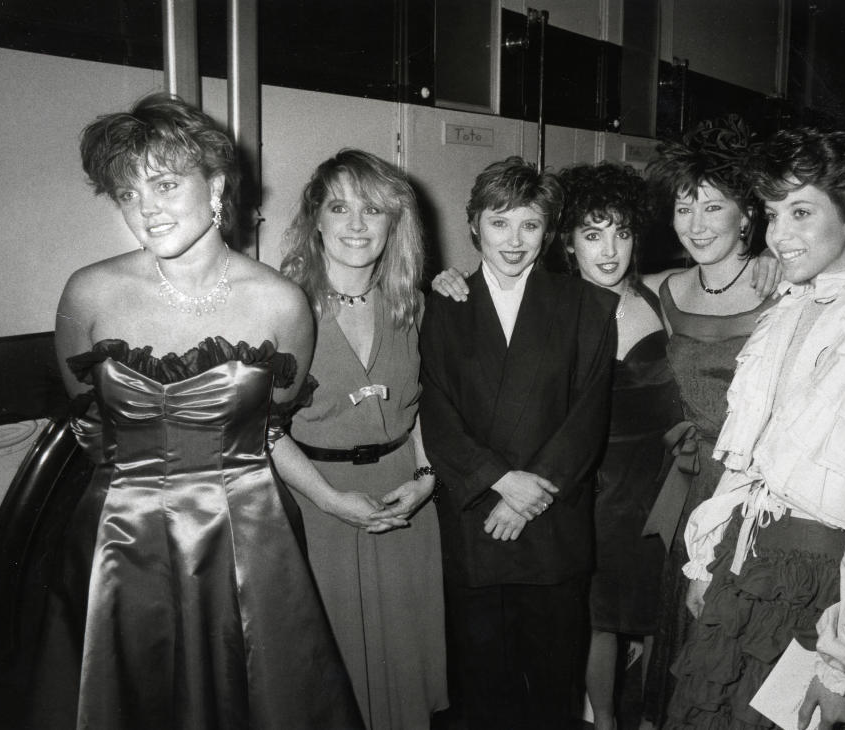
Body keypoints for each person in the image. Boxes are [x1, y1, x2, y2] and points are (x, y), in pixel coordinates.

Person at [21, 93, 363, 729]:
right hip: (119, 542)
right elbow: (88, 416)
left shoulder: (282, 303)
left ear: (217, 186)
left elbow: (273, 422)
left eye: (164, 183)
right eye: (127, 193)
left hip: (247, 539)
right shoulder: (89, 291)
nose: (145, 208)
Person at [666, 128, 845, 729]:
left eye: (801, 212)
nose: (780, 236)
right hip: (746, 567)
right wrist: (708, 561)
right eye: (772, 215)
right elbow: (747, 463)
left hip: (829, 593)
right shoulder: (786, 316)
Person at [419, 156, 617, 729]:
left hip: (552, 524)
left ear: (549, 233)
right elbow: (435, 409)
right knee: (480, 691)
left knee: (554, 690)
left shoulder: (588, 306)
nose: (514, 239)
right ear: (474, 224)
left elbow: (588, 417)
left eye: (530, 225)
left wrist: (529, 494)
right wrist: (500, 482)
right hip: (476, 520)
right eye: (499, 222)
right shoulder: (439, 306)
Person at [280, 148, 448, 729]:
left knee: (401, 677)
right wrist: (329, 499)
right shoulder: (282, 306)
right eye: (339, 207)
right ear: (315, 219)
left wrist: (427, 479)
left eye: (373, 210)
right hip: (315, 503)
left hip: (403, 502)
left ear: (393, 222)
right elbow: (262, 430)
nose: (356, 225)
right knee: (328, 678)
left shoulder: (413, 304)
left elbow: (424, 403)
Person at [636, 117, 778, 728]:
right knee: (685, 634)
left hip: (758, 490)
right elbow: (571, 287)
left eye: (711, 207)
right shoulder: (662, 289)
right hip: (692, 486)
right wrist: (453, 283)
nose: (694, 225)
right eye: (682, 208)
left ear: (747, 213)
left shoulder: (786, 286)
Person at [557, 162, 683, 730]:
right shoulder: (555, 310)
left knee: (664, 609)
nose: (609, 250)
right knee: (602, 616)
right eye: (592, 233)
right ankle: (603, 721)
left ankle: (655, 715)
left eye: (622, 232)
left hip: (666, 481)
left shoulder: (655, 294)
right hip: (602, 488)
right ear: (568, 241)